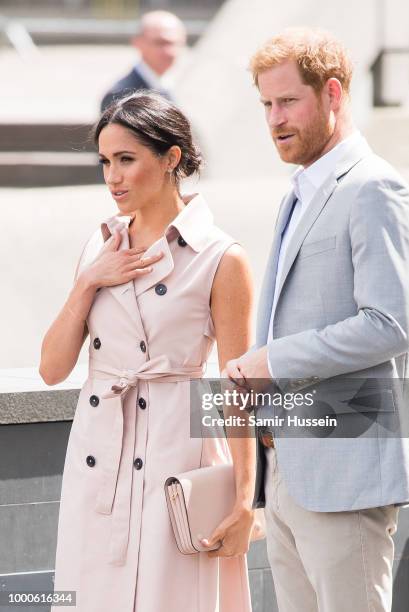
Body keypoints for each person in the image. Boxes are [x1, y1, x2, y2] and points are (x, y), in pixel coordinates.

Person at [225, 27, 409, 612]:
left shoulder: (375, 187)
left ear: (333, 94)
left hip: (345, 478)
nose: (274, 118)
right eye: (265, 104)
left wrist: (272, 361)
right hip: (286, 471)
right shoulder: (301, 191)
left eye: (288, 101)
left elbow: (389, 323)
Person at [40, 92, 255, 612]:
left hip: (175, 455)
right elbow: (51, 369)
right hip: (100, 459)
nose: (112, 177)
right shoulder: (99, 247)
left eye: (126, 160)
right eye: (105, 162)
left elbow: (237, 389)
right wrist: (88, 283)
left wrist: (248, 498)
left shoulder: (221, 257)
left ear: (172, 158)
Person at [100, 11, 186, 112]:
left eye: (174, 44)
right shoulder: (122, 96)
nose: (168, 51)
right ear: (138, 43)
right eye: (160, 43)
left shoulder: (167, 87)